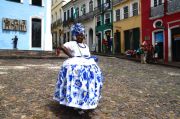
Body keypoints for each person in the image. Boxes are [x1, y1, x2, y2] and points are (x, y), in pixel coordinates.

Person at [53, 23, 104, 114]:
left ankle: (86, 101)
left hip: (86, 66)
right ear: (75, 36)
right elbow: (62, 47)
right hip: (76, 68)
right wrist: (70, 55)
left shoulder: (86, 46)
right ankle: (74, 102)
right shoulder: (72, 43)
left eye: (82, 35)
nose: (80, 36)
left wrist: (92, 58)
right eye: (78, 35)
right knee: (77, 85)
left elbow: (87, 55)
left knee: (87, 85)